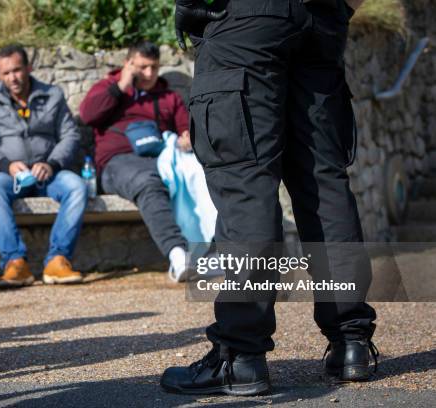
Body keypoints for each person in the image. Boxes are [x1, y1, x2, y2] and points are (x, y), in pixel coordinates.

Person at [160, 0, 377, 396]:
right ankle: (351, 343)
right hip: (322, 18)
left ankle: (241, 357)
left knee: (246, 183)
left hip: (248, 22)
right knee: (323, 183)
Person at [0, 44, 87, 288]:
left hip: (49, 174)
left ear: (29, 68)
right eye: (5, 73)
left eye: (16, 70)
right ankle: (15, 263)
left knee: (77, 186)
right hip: (11, 177)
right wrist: (6, 165)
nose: (12, 78)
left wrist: (52, 163)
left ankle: (58, 259)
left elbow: (70, 136)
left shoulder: (53, 95)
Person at [80, 41, 194, 282]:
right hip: (116, 163)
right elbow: (88, 115)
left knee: (201, 176)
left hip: (160, 158)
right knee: (148, 182)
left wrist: (186, 137)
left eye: (154, 67)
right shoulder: (109, 87)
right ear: (129, 64)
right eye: (142, 67)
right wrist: (121, 85)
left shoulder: (168, 96)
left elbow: (186, 127)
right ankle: (177, 253)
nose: (149, 74)